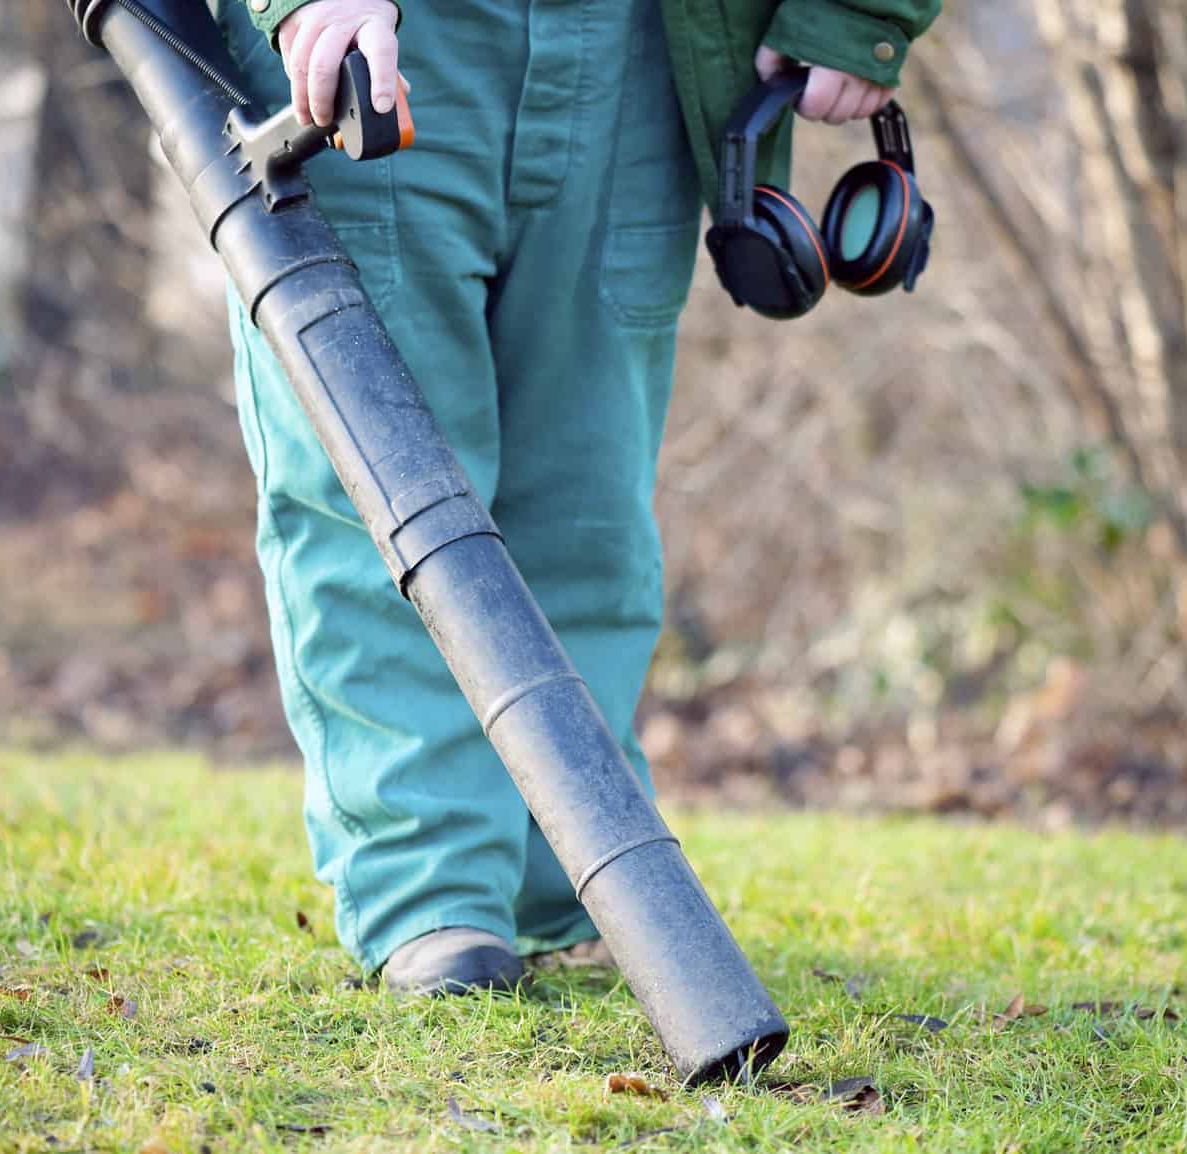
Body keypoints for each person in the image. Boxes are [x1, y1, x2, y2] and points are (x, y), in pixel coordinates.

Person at [215, 0, 939, 994]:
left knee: (589, 509)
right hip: (392, 36)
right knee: (383, 488)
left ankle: (577, 887)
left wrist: (859, 9)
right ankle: (433, 899)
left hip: (646, 46)